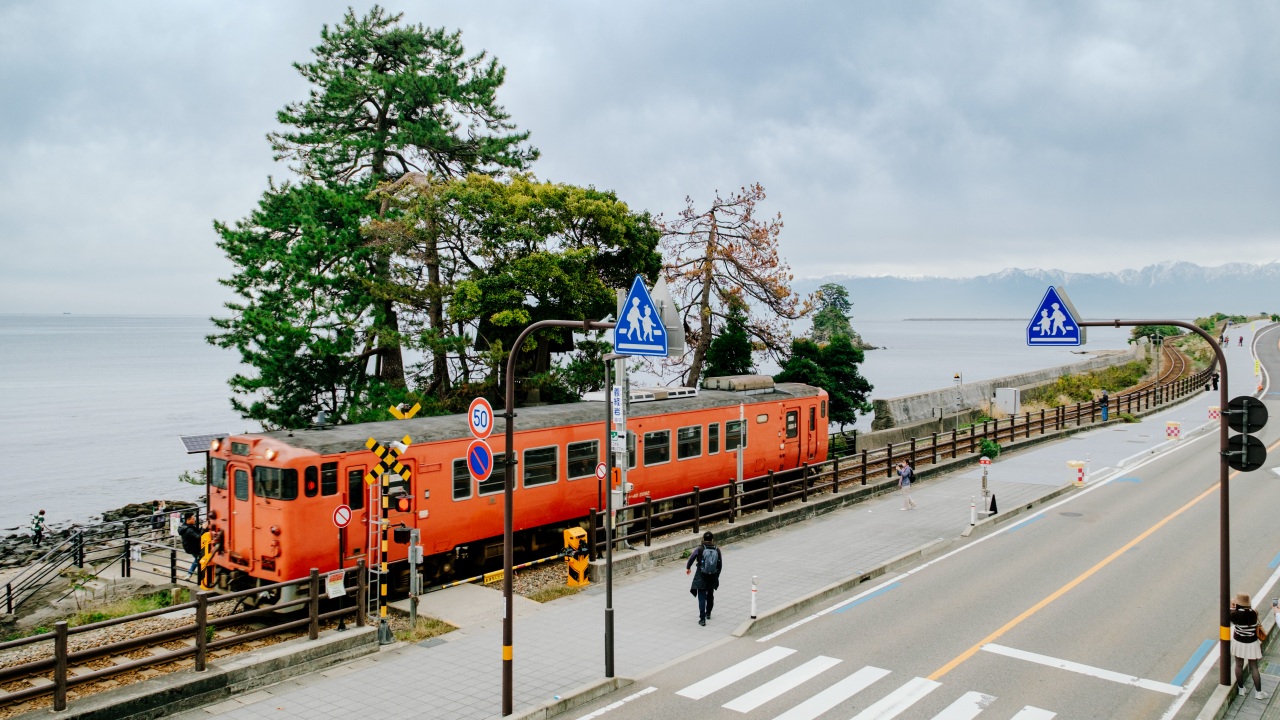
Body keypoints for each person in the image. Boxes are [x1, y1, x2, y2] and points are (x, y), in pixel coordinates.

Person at [1230, 592, 1269, 700]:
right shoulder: (1253, 613)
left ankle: (1241, 689)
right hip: (1252, 643)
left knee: (1238, 665)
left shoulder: (1234, 614)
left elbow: (1227, 617)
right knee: (1254, 667)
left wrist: (1231, 607)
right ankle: (1258, 692)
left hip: (1239, 642)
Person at [685, 531, 721, 626]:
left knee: (701, 598)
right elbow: (720, 565)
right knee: (710, 595)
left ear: (703, 539)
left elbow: (691, 558)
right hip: (712, 576)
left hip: (701, 576)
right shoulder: (717, 549)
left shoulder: (699, 549)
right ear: (712, 539)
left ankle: (702, 619)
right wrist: (716, 576)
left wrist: (688, 568)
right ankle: (708, 613)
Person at [178, 514, 203, 581]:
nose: (195, 520)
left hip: (190, 547)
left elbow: (196, 532)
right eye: (193, 519)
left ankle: (189, 574)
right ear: (188, 520)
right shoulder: (189, 530)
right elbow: (198, 537)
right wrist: (203, 528)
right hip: (193, 547)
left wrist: (201, 528)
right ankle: (194, 575)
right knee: (198, 558)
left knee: (197, 559)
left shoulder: (185, 527)